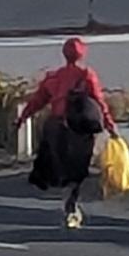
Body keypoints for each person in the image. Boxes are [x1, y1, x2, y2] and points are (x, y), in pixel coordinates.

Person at [19, 40, 114, 227]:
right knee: (78, 169)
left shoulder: (53, 77)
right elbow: (99, 101)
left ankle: (66, 199)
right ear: (82, 54)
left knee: (58, 167)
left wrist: (22, 117)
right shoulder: (86, 75)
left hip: (55, 126)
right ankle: (72, 202)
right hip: (78, 128)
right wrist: (110, 125)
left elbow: (37, 101)